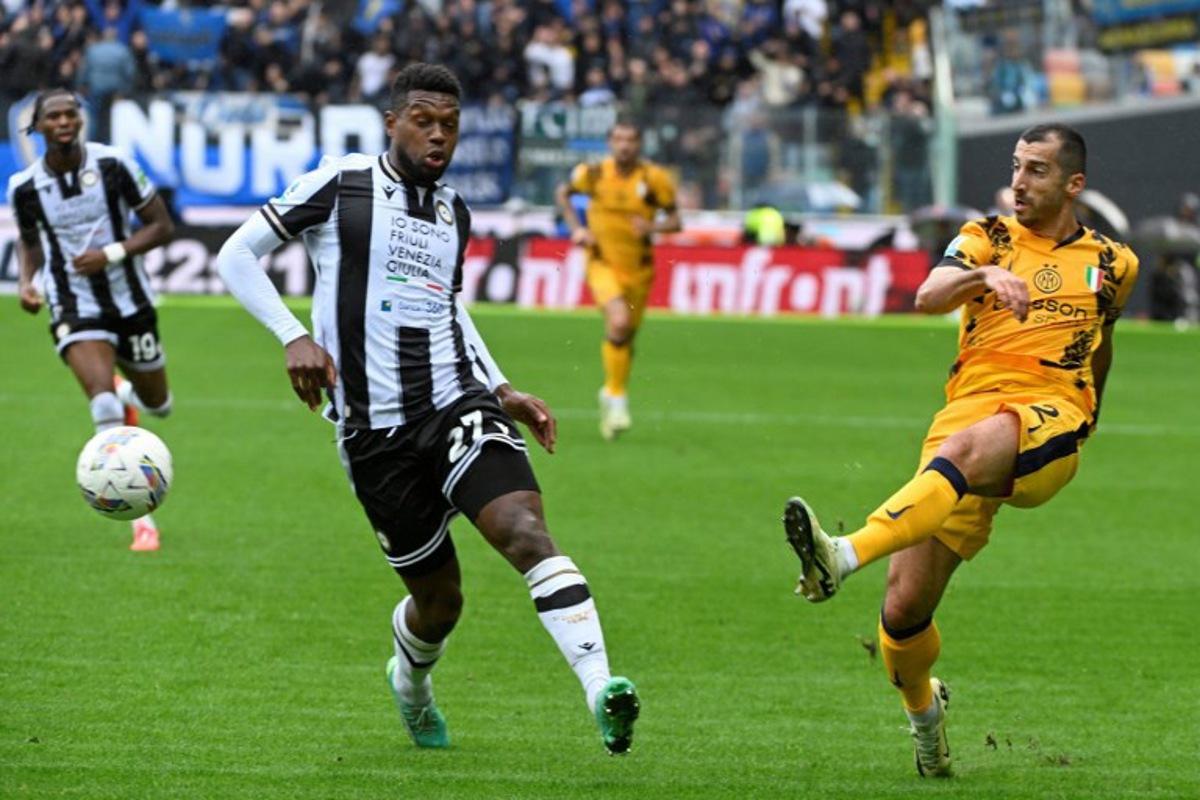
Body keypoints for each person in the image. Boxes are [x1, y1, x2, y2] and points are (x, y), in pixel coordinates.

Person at [215, 63, 640, 755]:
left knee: (524, 529)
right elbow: (238, 255)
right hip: (372, 433)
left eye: (449, 124)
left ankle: (601, 688)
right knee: (440, 602)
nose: (437, 135)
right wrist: (293, 334)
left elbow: (447, 307)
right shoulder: (343, 183)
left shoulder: (454, 212)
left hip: (455, 403)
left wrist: (500, 388)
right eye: (423, 120)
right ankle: (411, 687)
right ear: (392, 122)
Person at [781, 123, 1139, 776]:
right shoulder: (987, 237)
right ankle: (927, 719)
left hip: (1048, 415)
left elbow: (1102, 337)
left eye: (1036, 169)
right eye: (1016, 166)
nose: (1019, 181)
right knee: (903, 610)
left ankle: (844, 552)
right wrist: (986, 280)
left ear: (1073, 184)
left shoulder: (1114, 262)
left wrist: (1094, 411)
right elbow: (926, 296)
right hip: (964, 419)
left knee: (977, 444)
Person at [8, 87, 175, 552]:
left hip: (131, 300)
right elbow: (30, 241)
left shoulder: (113, 165)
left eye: (70, 113)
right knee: (102, 405)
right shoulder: (24, 186)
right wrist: (28, 280)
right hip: (73, 302)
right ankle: (139, 522)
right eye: (53, 116)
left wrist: (112, 253)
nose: (63, 121)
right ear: (37, 127)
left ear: (80, 120)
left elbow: (162, 226)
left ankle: (127, 389)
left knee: (159, 404)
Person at [555, 120, 681, 440]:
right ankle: (618, 399)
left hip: (639, 269)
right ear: (610, 142)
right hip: (601, 263)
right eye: (619, 139)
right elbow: (563, 193)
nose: (625, 145)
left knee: (624, 338)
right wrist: (577, 229)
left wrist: (652, 228)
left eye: (631, 140)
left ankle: (611, 393)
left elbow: (676, 220)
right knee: (619, 323)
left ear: (639, 144)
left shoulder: (654, 179)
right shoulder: (594, 173)